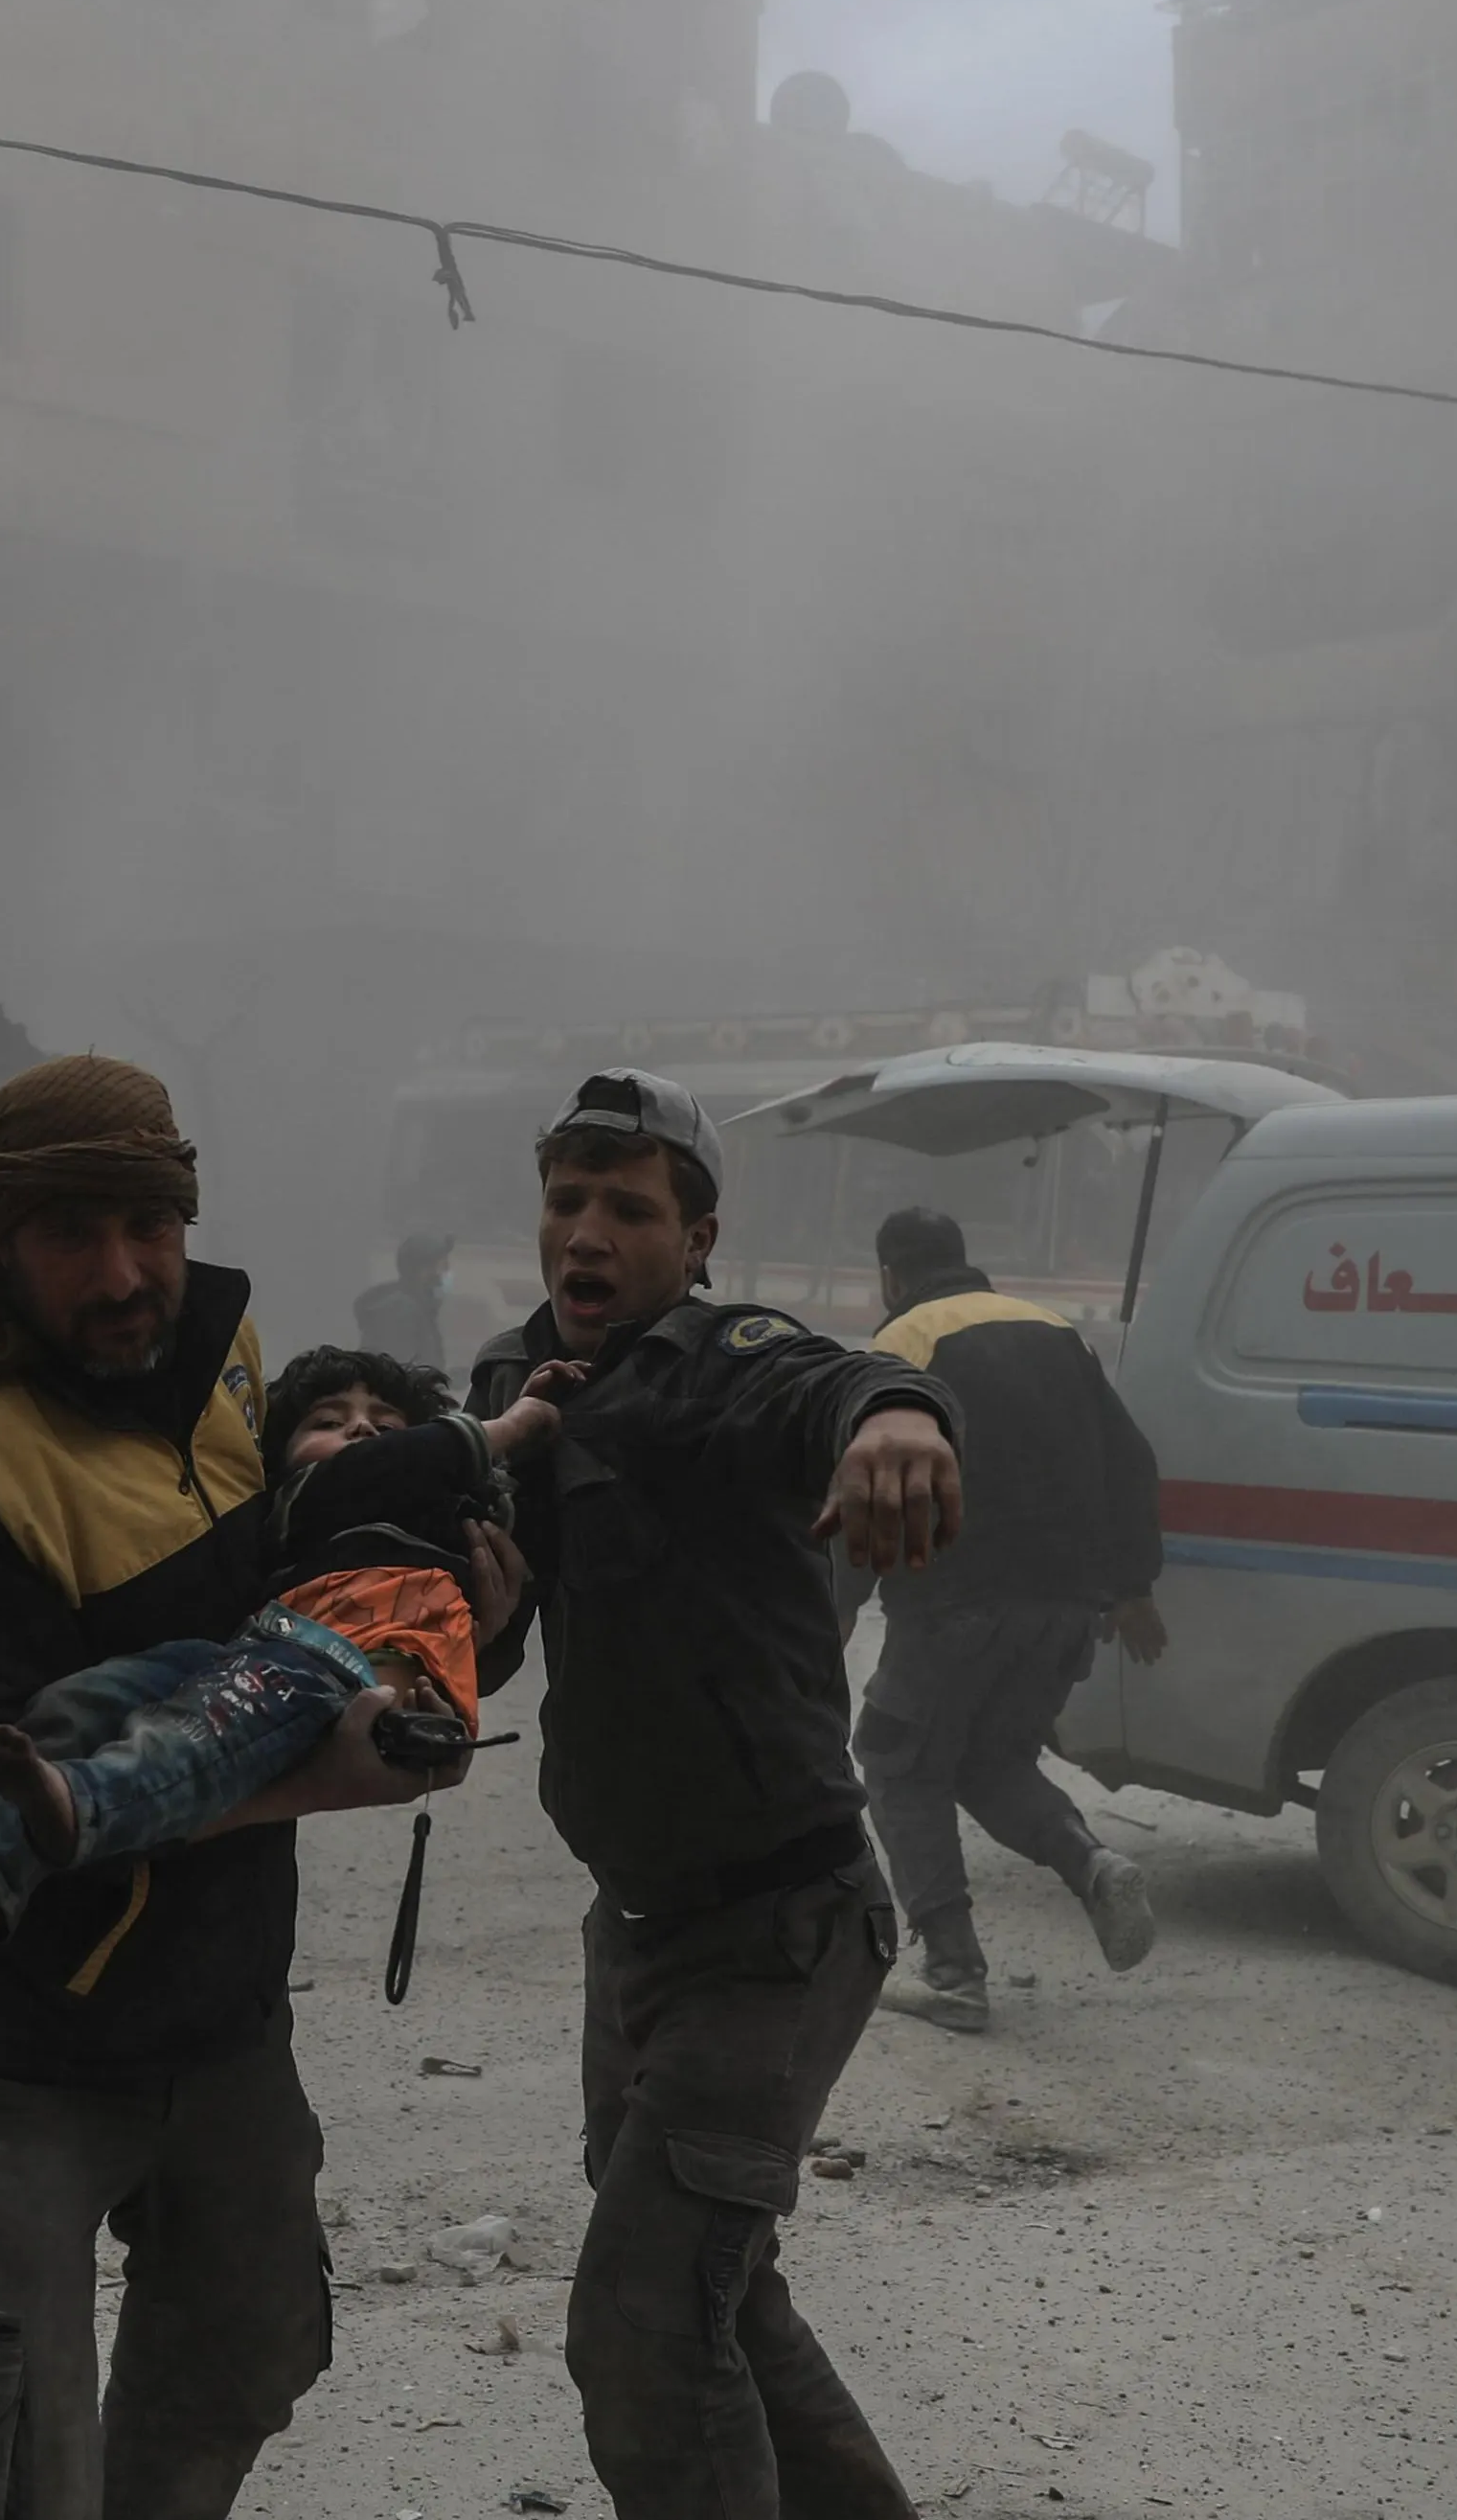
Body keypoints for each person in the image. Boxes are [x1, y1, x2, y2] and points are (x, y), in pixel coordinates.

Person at [0, 1055, 456, 2520]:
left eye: (148, 1229)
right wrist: (327, 1774)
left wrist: (462, 1610)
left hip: (218, 2018)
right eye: (70, 1237)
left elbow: (309, 1597)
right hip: (14, 2044)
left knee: (248, 2349)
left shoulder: (229, 1378)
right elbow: (15, 1788)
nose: (122, 1275)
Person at [466, 1069, 964, 2520]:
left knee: (640, 2326)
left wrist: (899, 1412)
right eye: (569, 1202)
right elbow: (494, 1645)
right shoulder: (513, 1387)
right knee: (718, 2300)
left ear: (697, 1241)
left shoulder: (721, 1355)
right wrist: (476, 1609)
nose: (589, 1233)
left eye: (631, 1208)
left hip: (780, 1929)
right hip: (635, 1936)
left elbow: (828, 1381)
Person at [0, 1344, 578, 1943]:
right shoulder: (304, 1504)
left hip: (337, 1666)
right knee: (86, 1700)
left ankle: (76, 1803)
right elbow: (389, 1470)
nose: (362, 1431)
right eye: (329, 1421)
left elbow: (497, 1511)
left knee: (189, 1738)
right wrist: (505, 1425)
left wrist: (523, 1424)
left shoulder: (445, 1515)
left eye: (387, 1422)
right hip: (266, 1646)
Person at [852, 1205, 1167, 2034]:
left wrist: (826, 1623)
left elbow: (870, 1490)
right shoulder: (1059, 1332)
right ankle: (1094, 1865)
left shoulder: (902, 1343)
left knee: (897, 1760)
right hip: (1067, 1611)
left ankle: (955, 1974)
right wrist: (1131, 1585)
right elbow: (1132, 1460)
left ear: (891, 1274)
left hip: (955, 1604)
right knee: (989, 1762)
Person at [352, 1230, 454, 1368]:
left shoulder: (419, 1308)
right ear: (423, 1270)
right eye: (443, 1266)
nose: (447, 1274)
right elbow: (395, 1374)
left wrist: (446, 1377)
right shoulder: (399, 1311)